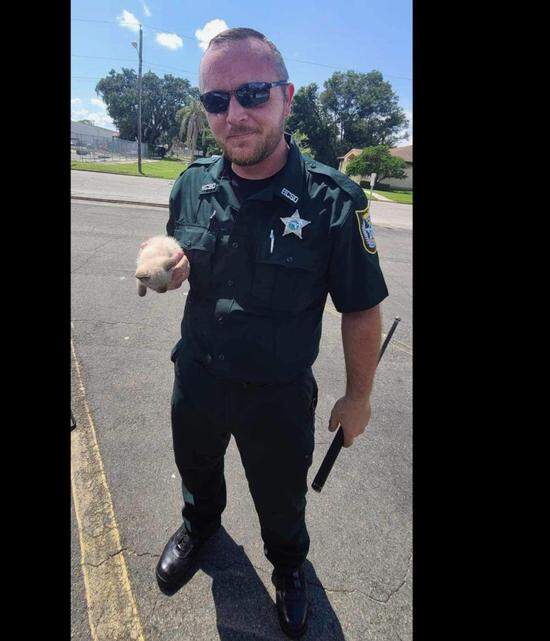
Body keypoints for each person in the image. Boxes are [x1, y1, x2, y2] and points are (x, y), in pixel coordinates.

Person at [145, 27, 388, 639]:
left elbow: (361, 310)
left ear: (287, 97)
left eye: (253, 93)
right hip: (197, 376)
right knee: (196, 469)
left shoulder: (333, 201)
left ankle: (287, 567)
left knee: (282, 502)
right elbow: (180, 257)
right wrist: (168, 269)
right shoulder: (191, 185)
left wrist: (357, 397)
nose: (235, 114)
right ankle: (200, 526)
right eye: (216, 100)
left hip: (279, 395)